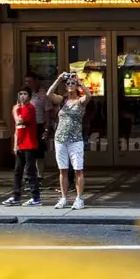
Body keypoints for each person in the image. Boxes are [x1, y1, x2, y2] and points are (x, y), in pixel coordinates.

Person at [48, 72, 89, 209]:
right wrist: (58, 79)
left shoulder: (80, 101)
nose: (70, 85)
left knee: (78, 169)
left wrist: (80, 82)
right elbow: (49, 94)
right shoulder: (62, 100)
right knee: (63, 170)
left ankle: (79, 198)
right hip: (60, 139)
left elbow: (89, 96)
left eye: (73, 84)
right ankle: (64, 198)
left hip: (75, 139)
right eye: (68, 84)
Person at [4, 86, 42, 206]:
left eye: (25, 94)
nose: (22, 96)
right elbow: (17, 128)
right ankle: (16, 196)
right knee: (17, 171)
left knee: (30, 171)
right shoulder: (18, 108)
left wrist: (15, 111)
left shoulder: (29, 108)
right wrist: (15, 145)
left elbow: (20, 121)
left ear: (29, 96)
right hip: (21, 144)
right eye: (20, 94)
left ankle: (36, 197)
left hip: (29, 144)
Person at [24, 73, 57, 189]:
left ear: (36, 81)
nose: (28, 84)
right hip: (27, 126)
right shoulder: (25, 94)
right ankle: (28, 176)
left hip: (39, 125)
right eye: (26, 82)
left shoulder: (43, 95)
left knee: (39, 152)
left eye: (30, 81)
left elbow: (47, 112)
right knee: (27, 152)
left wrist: (47, 128)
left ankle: (40, 176)